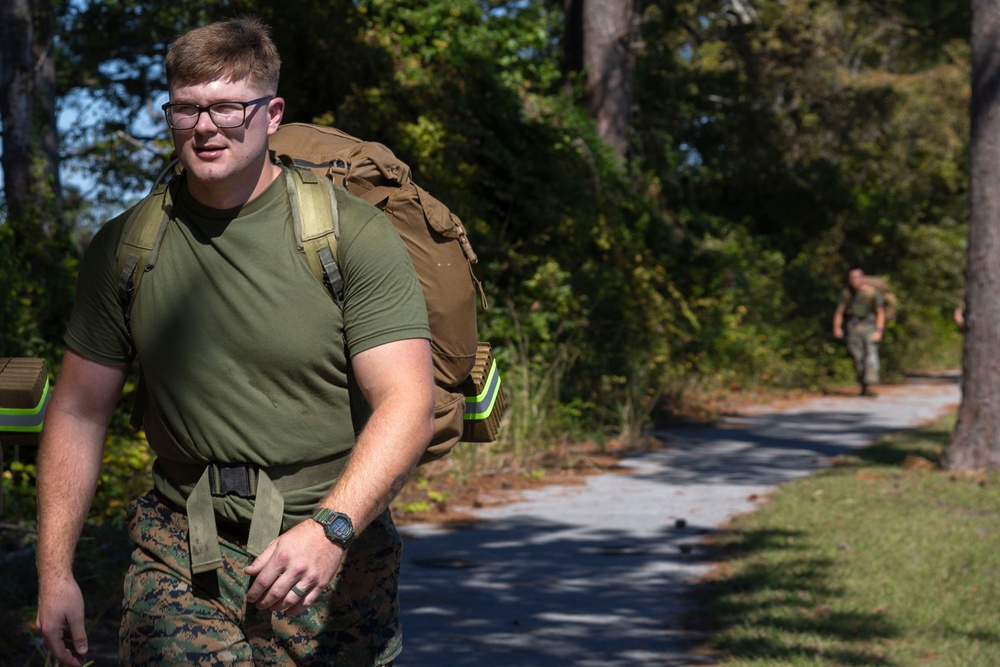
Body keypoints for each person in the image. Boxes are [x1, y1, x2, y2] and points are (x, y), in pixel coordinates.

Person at [35, 17, 434, 667]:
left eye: (227, 107)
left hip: (331, 550)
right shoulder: (126, 247)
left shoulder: (349, 236)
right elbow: (79, 410)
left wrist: (330, 529)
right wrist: (55, 572)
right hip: (180, 547)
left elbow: (408, 403)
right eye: (186, 108)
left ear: (272, 113)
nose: (205, 126)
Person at [832, 268, 885, 397]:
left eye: (857, 278)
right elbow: (839, 311)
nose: (854, 281)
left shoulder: (872, 293)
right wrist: (837, 328)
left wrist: (879, 331)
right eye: (852, 278)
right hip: (854, 328)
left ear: (862, 278)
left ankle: (871, 385)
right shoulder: (847, 293)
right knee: (858, 359)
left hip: (870, 327)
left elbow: (880, 312)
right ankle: (863, 385)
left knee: (871, 357)